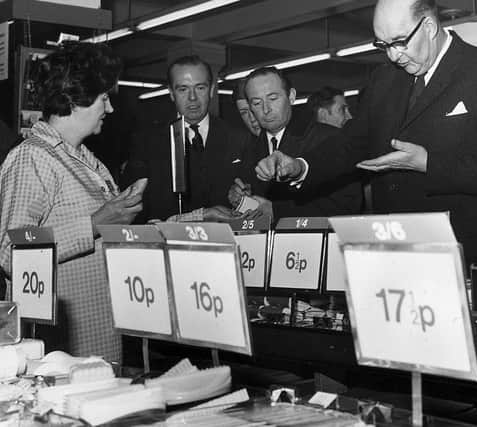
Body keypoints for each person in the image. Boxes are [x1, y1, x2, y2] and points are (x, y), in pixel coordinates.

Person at [255, 0, 477, 264]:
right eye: (383, 45)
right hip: (396, 250)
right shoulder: (384, 80)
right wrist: (301, 166)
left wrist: (427, 164)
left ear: (430, 27)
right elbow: (351, 144)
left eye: (399, 42)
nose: (392, 55)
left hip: (462, 250)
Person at [0, 42, 143, 361]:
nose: (110, 109)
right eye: (104, 98)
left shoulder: (87, 161)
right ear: (76, 99)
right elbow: (11, 253)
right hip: (60, 351)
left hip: (99, 333)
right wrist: (93, 224)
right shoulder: (32, 158)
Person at [122, 55, 251, 223]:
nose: (192, 98)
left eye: (200, 88)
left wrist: (245, 197)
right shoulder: (146, 143)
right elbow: (134, 211)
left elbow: (255, 200)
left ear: (212, 90)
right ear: (171, 93)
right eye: (183, 89)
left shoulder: (239, 139)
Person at [230, 67, 361, 220]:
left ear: (291, 96)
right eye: (257, 103)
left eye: (273, 99)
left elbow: (348, 206)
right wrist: (242, 197)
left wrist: (277, 211)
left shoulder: (328, 138)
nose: (266, 109)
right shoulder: (249, 149)